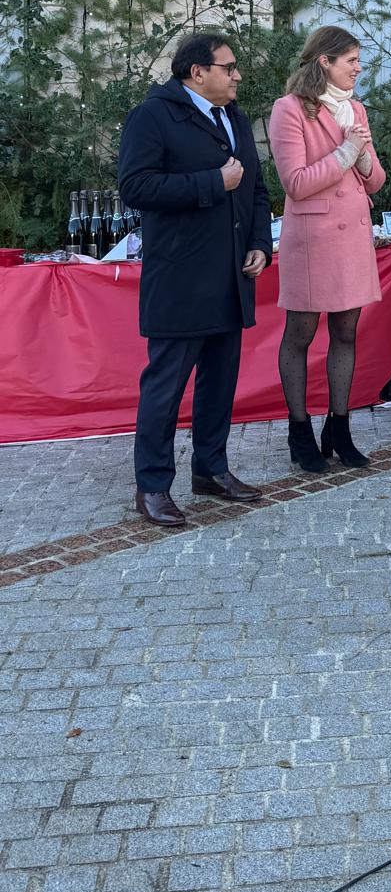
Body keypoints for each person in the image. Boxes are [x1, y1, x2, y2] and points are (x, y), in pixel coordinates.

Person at [118, 32, 272, 526]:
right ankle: (153, 486)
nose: (237, 75)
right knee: (165, 385)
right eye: (228, 67)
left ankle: (211, 468)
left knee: (220, 380)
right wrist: (211, 182)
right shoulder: (153, 116)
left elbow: (256, 187)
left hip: (230, 273)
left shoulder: (235, 118)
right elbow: (135, 187)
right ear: (196, 73)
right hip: (182, 277)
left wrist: (258, 243)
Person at [268, 26, 387, 472]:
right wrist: (345, 152)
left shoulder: (355, 108)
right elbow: (295, 184)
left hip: (352, 235)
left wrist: (361, 156)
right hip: (314, 239)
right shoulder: (289, 110)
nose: (358, 67)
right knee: (300, 333)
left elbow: (376, 181)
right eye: (350, 60)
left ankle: (339, 427)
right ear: (325, 61)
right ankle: (299, 429)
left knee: (346, 332)